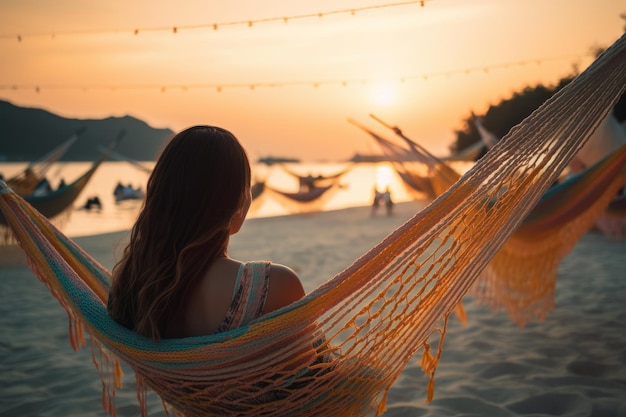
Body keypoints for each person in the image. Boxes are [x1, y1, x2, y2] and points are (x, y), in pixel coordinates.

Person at [107, 126, 305, 340]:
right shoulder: (274, 285)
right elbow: (317, 370)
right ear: (238, 200)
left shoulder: (127, 290)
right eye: (246, 186)